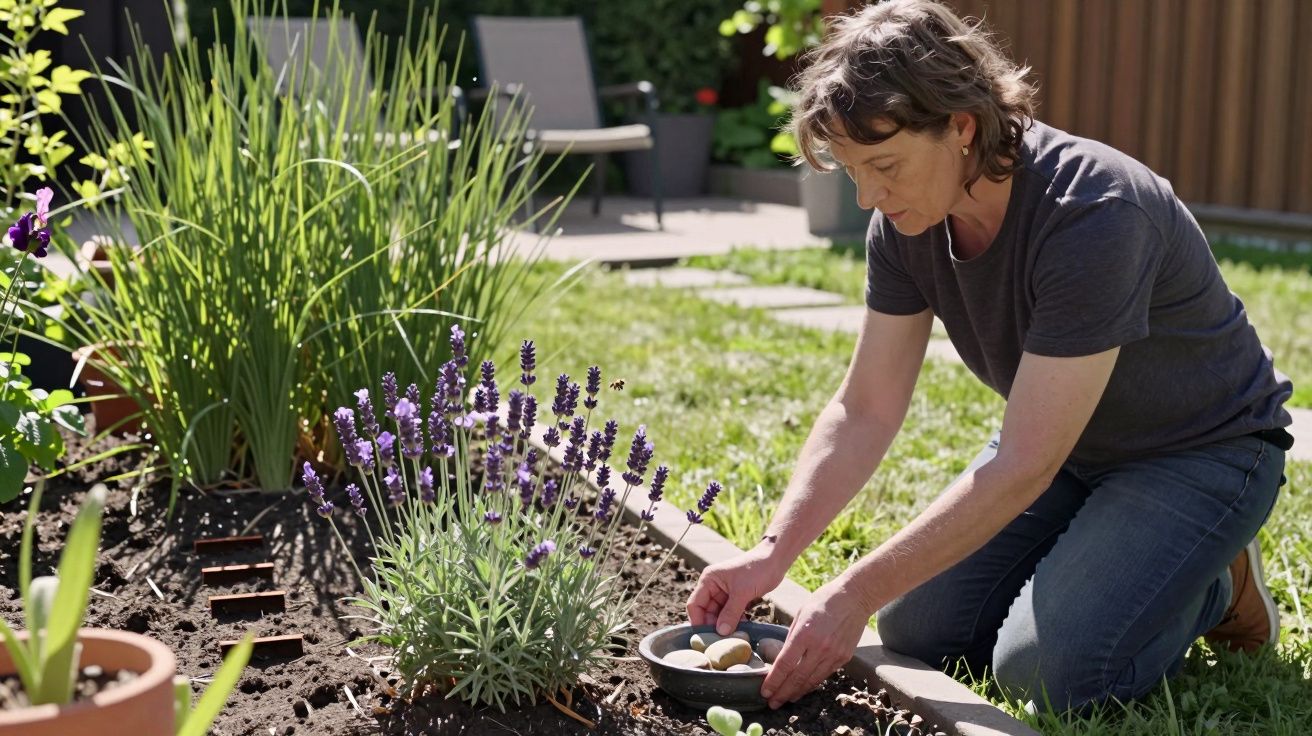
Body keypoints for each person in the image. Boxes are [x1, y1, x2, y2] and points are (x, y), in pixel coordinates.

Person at [686, 0, 1293, 714]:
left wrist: (848, 593)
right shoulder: (907, 221)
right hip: (1072, 453)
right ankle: (1116, 550)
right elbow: (864, 407)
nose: (869, 196)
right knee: (916, 628)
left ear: (962, 126)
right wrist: (772, 553)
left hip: (1201, 452)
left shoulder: (1094, 212)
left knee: (1049, 674)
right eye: (853, 171)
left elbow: (1022, 464)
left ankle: (1216, 583)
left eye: (884, 164)